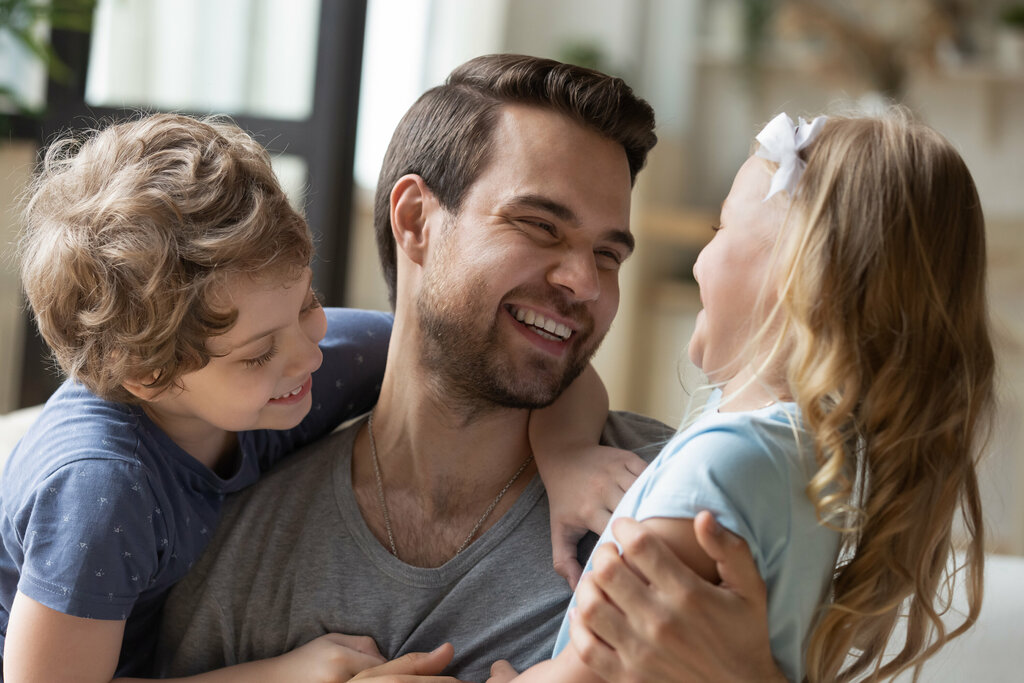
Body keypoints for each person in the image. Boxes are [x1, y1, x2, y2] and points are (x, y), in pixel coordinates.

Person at [152, 54, 784, 683]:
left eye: (607, 256)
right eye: (539, 226)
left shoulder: (678, 501)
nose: (584, 283)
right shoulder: (244, 549)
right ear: (415, 221)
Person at [2, 112, 633, 682]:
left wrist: (571, 454)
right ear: (147, 376)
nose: (306, 354)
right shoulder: (99, 489)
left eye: (308, 304)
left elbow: (517, 356)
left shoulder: (320, 362)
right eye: (257, 354)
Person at [490, 108, 995, 682]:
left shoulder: (728, 462)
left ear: (801, 278)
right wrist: (570, 455)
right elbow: (569, 379)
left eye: (720, 228)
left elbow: (602, 663)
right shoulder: (796, 456)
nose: (703, 256)